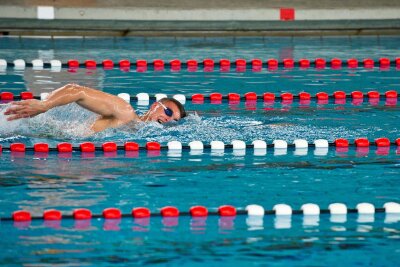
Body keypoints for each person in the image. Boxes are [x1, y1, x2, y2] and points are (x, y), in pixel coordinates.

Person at [4, 83, 187, 133]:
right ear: (155, 106)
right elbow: (76, 91)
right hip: (23, 124)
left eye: (174, 120)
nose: (169, 119)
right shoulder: (125, 112)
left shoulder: (137, 131)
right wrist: (44, 105)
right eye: (168, 111)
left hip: (44, 134)